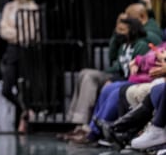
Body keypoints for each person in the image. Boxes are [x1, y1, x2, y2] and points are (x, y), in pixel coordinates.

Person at [63, 12, 150, 141]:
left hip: (131, 79)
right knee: (92, 79)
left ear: (132, 31)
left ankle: (93, 131)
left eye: (122, 30)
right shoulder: (123, 45)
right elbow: (112, 57)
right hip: (118, 76)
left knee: (111, 89)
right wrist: (115, 36)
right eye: (117, 29)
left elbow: (137, 71)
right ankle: (86, 126)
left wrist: (113, 79)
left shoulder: (141, 45)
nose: (118, 32)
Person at [0, 0, 39, 134]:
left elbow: (30, 34)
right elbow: (3, 30)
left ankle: (26, 119)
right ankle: (24, 110)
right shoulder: (8, 7)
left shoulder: (32, 8)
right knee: (6, 88)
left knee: (26, 85)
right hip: (12, 50)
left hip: (27, 50)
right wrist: (16, 33)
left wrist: (14, 32)